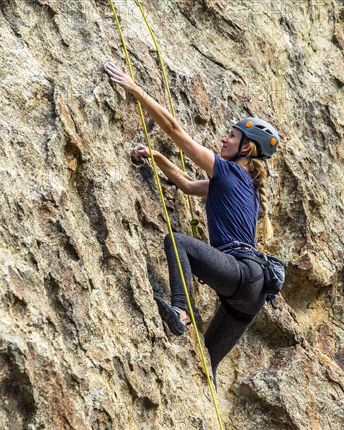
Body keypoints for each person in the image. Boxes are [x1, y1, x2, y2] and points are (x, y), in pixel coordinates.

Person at [104, 61, 280, 387]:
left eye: (231, 136)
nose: (223, 139)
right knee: (207, 361)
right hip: (252, 292)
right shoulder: (246, 186)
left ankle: (181, 312)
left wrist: (134, 88)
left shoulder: (227, 171)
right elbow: (186, 184)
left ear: (246, 148)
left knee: (178, 242)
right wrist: (157, 158)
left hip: (239, 272)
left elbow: (173, 128)